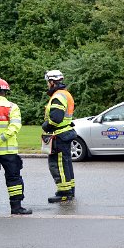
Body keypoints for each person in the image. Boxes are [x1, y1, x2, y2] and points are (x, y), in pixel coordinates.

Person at [0, 78, 32, 215]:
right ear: (6, 91)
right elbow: (15, 126)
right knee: (14, 179)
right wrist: (0, 140)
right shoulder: (12, 107)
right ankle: (16, 208)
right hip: (8, 151)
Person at [42, 70, 77, 203]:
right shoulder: (65, 93)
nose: (47, 85)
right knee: (66, 164)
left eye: (48, 82)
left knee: (59, 165)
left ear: (52, 82)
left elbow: (56, 118)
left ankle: (64, 193)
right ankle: (70, 190)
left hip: (59, 135)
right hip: (65, 133)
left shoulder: (58, 96)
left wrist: (46, 125)